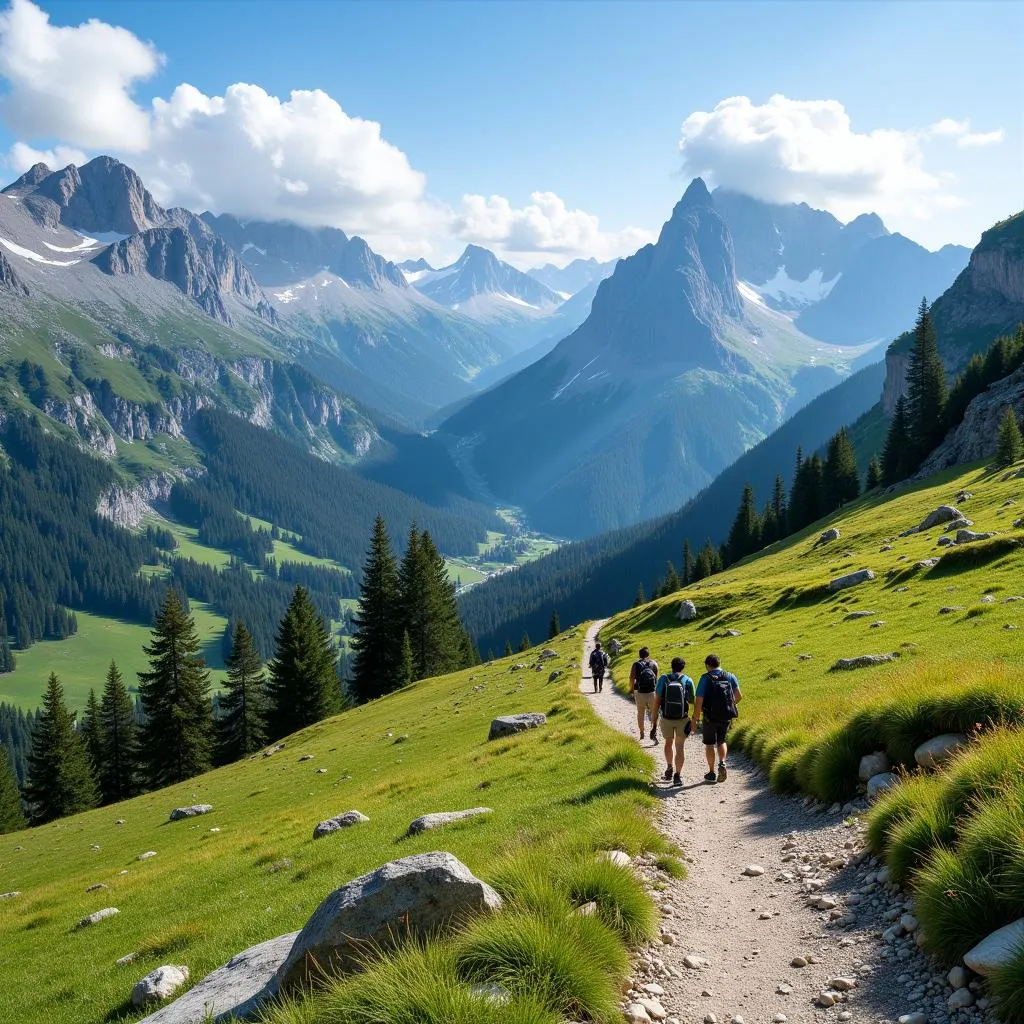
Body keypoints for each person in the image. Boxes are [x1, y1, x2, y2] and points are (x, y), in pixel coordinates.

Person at [690, 653, 741, 783]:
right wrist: (729, 705)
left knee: (709, 744)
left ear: (707, 665)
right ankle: (722, 763)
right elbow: (739, 695)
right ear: (719, 663)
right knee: (722, 740)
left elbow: (699, 699)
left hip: (709, 716)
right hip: (725, 715)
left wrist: (695, 718)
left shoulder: (705, 678)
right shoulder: (730, 676)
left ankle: (711, 772)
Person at [652, 656, 694, 786]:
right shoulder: (687, 680)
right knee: (680, 747)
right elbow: (692, 699)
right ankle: (678, 776)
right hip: (682, 718)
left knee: (668, 743)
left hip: (666, 717)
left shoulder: (664, 679)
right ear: (683, 667)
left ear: (672, 666)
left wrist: (654, 718)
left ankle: (669, 767)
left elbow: (657, 700)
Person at [629, 646, 659, 742]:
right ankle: (654, 731)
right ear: (648, 655)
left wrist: (632, 689)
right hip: (652, 692)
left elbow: (631, 678)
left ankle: (642, 733)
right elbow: (656, 678)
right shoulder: (654, 664)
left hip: (639, 692)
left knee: (640, 712)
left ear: (639, 655)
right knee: (654, 712)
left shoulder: (636, 664)